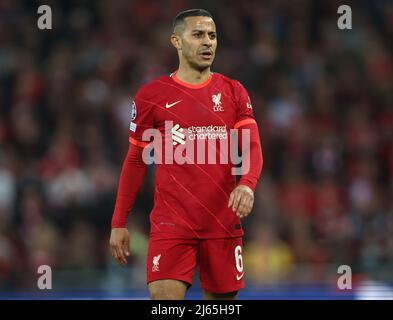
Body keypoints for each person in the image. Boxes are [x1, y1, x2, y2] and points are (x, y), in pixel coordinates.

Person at [109, 8, 263, 300]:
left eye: (212, 35)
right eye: (198, 34)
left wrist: (247, 183)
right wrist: (118, 222)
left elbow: (253, 145)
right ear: (176, 41)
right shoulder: (152, 95)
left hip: (222, 223)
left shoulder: (233, 91)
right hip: (171, 225)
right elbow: (135, 161)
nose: (208, 42)